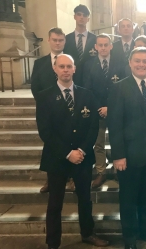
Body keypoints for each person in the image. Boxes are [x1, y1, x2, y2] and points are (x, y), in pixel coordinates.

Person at [36, 54, 109, 249]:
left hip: (82, 157)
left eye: (69, 66)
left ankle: (87, 233)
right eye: (62, 66)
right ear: (55, 69)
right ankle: (53, 242)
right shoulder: (44, 96)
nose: (66, 70)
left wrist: (83, 150)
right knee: (55, 203)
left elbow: (93, 126)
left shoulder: (87, 94)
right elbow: (45, 131)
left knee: (85, 199)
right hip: (57, 157)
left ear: (75, 69)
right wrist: (68, 153)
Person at [108, 47, 146, 249]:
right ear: (130, 63)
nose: (141, 64)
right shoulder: (119, 88)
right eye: (137, 61)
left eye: (145, 61)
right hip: (129, 156)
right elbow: (114, 124)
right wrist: (118, 155)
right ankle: (130, 239)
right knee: (128, 199)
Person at [31, 27, 75, 193]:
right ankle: (52, 179)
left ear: (65, 41)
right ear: (49, 40)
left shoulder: (70, 61)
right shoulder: (39, 63)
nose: (58, 43)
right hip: (49, 112)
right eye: (55, 40)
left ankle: (71, 177)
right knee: (51, 144)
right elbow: (35, 86)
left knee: (71, 143)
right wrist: (45, 104)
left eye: (61, 40)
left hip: (69, 110)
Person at [83, 34, 124, 188]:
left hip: (116, 110)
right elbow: (87, 89)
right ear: (95, 47)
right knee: (98, 143)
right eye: (100, 45)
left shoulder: (120, 64)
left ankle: (118, 170)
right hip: (97, 110)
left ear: (111, 46)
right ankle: (101, 172)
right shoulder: (88, 65)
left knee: (117, 141)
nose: (103, 48)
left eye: (106, 44)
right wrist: (99, 108)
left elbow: (123, 89)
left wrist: (111, 107)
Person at [63, 4, 97, 87]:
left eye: (85, 15)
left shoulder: (95, 39)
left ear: (88, 19)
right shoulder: (66, 39)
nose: (81, 17)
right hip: (71, 80)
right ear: (74, 17)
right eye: (79, 14)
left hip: (91, 80)